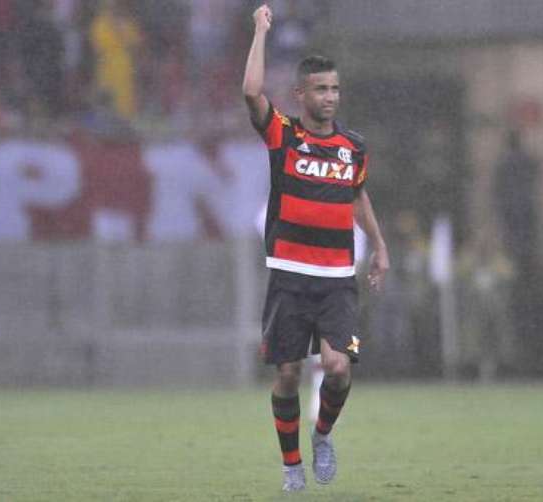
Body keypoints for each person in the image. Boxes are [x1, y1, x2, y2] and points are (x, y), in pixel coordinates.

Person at [242, 4, 389, 492]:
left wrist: (381, 247)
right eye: (321, 89)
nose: (330, 97)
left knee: (338, 367)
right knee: (286, 376)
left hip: (335, 279)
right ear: (300, 93)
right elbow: (250, 91)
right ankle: (290, 466)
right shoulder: (284, 136)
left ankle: (322, 434)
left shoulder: (353, 148)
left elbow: (357, 195)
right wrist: (261, 31)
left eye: (335, 89)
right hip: (289, 275)